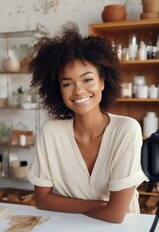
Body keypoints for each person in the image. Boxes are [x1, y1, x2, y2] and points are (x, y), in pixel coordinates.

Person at [26, 23, 147, 223]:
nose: (78, 90)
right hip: (71, 227)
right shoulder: (51, 132)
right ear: (58, 90)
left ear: (102, 82)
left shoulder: (126, 130)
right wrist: (103, 206)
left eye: (87, 80)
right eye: (67, 84)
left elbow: (116, 216)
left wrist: (69, 204)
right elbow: (42, 200)